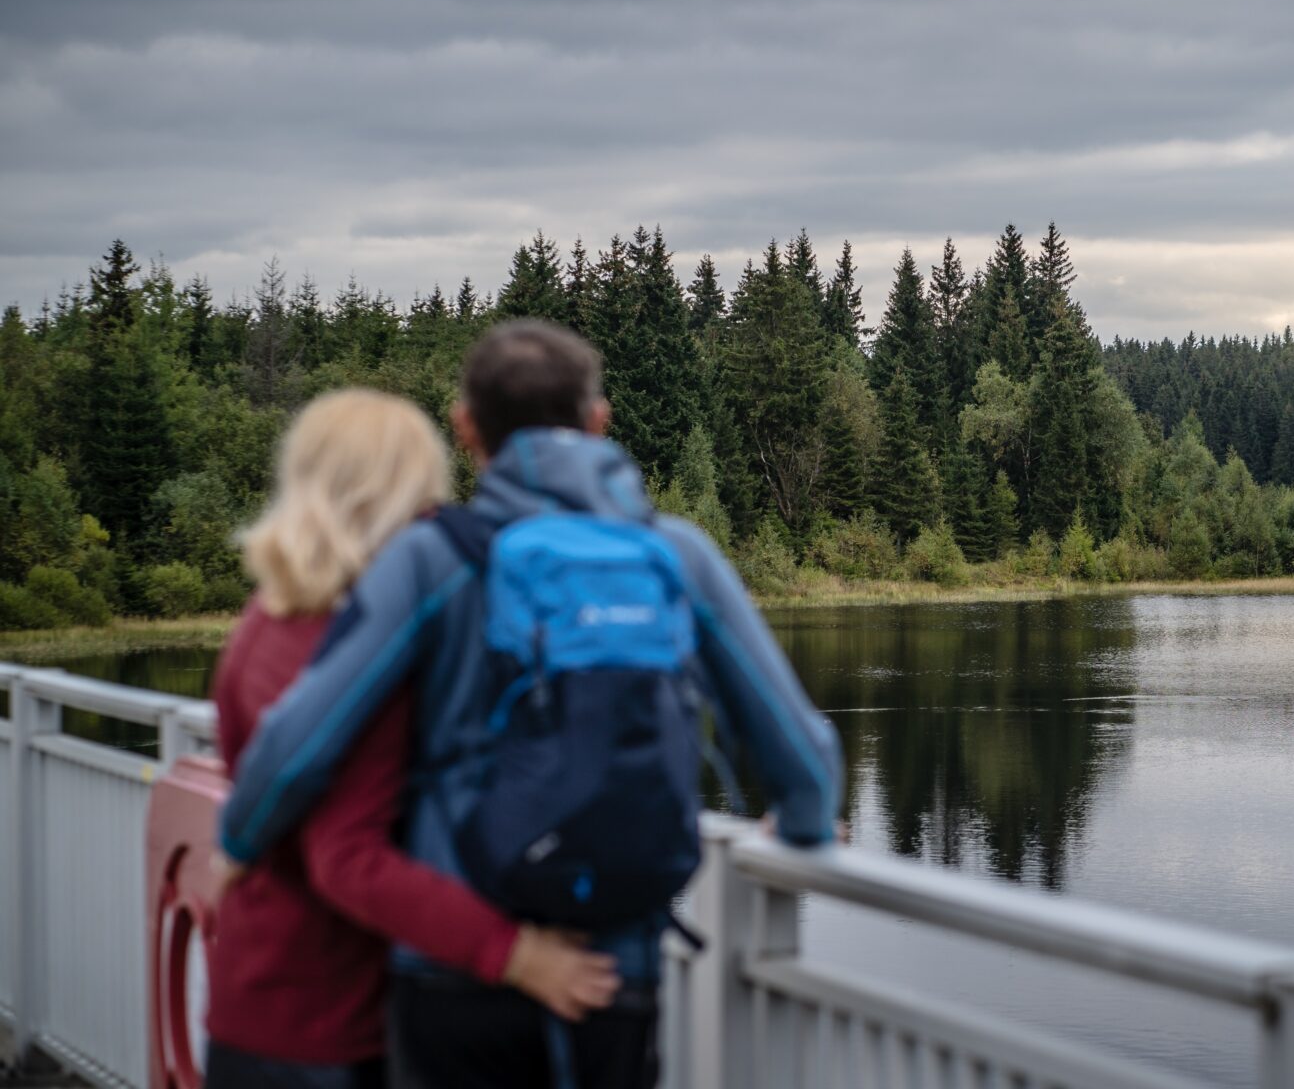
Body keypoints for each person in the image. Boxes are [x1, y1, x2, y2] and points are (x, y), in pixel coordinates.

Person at [220, 322, 843, 1088]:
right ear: (599, 420)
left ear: (466, 428)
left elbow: (298, 743)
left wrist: (238, 844)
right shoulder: (675, 554)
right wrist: (806, 827)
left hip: (457, 976)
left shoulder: (432, 557)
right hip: (614, 966)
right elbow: (801, 752)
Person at [207, 388, 620, 1089]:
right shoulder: (332, 650)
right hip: (330, 1026)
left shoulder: (265, 621)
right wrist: (516, 954)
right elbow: (346, 858)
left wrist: (235, 841)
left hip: (260, 996)